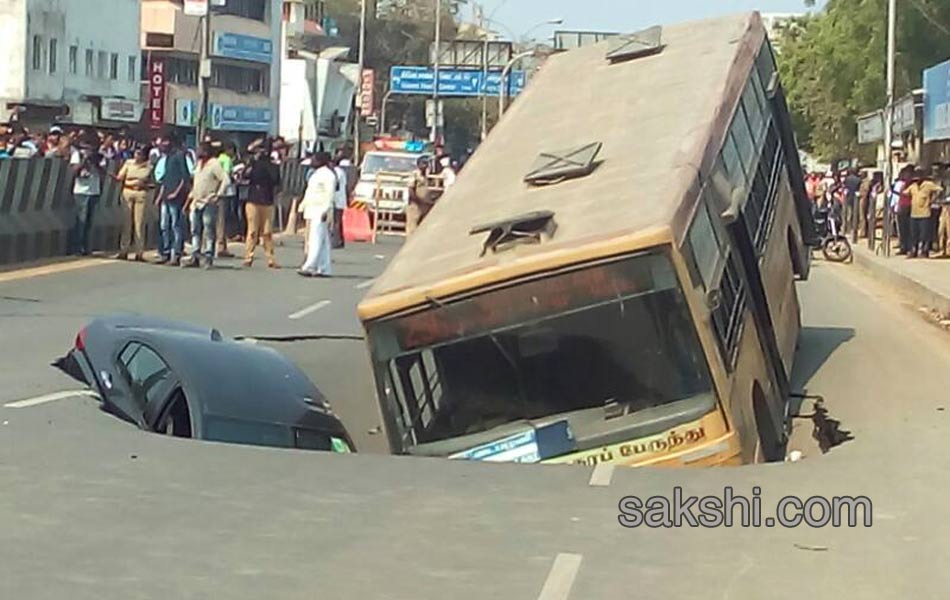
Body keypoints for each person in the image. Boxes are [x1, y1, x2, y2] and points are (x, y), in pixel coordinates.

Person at [184, 142, 230, 269]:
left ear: (206, 151)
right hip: (196, 202)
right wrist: (188, 201)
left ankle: (208, 256)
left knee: (209, 230)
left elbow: (225, 180)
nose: (197, 152)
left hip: (208, 202)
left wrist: (218, 195)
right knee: (195, 230)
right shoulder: (198, 165)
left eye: (200, 150)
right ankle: (195, 255)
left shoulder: (214, 164)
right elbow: (195, 185)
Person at [243, 141, 282, 268]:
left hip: (267, 201)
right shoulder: (252, 164)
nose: (261, 152)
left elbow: (276, 182)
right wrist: (252, 160)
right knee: (252, 231)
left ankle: (271, 258)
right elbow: (245, 175)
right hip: (253, 200)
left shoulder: (273, 166)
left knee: (267, 232)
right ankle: (248, 256)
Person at [111, 147, 153, 261]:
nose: (137, 156)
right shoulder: (129, 163)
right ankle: (123, 250)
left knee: (139, 224)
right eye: (136, 153)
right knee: (126, 223)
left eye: (139, 154)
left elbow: (153, 183)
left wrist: (145, 185)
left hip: (141, 193)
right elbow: (120, 177)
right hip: (127, 191)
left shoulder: (149, 166)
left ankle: (139, 252)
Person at [298, 152, 336, 278]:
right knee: (323, 241)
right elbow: (309, 192)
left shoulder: (328, 175)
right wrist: (302, 206)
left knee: (315, 240)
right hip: (312, 209)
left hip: (320, 210)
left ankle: (309, 266)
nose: (311, 162)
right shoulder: (316, 174)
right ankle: (324, 268)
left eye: (314, 160)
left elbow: (330, 194)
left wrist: (326, 210)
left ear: (321, 161)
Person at [155, 137, 191, 266]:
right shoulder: (167, 157)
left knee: (176, 225)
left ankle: (176, 254)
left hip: (176, 197)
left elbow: (185, 177)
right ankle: (165, 252)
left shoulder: (179, 156)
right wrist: (160, 196)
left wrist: (176, 192)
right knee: (164, 225)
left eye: (164, 143)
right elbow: (165, 178)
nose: (162, 146)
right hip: (166, 196)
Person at [69, 141, 105, 256]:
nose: (87, 150)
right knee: (81, 220)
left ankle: (86, 246)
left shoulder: (99, 156)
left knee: (89, 221)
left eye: (89, 148)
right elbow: (74, 171)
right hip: (81, 191)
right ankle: (77, 247)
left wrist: (95, 162)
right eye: (85, 148)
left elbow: (103, 173)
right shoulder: (77, 155)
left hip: (94, 191)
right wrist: (84, 160)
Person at [906, 169, 944, 259]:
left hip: (925, 214)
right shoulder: (913, 186)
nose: (917, 180)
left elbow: (940, 189)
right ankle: (913, 251)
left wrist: (933, 198)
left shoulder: (928, 185)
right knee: (914, 234)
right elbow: (904, 193)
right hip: (914, 213)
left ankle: (924, 251)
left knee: (924, 235)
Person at [215, 143, 237, 258]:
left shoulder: (218, 160)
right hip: (226, 192)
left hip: (217, 192)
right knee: (222, 220)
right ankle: (221, 246)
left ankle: (221, 246)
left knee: (218, 220)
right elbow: (228, 176)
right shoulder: (227, 160)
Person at [407, 156, 432, 236]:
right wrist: (419, 201)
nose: (425, 165)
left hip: (424, 205)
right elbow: (411, 190)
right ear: (418, 164)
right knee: (412, 226)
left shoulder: (425, 176)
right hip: (415, 204)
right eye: (423, 163)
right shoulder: (415, 174)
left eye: (426, 164)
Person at [331, 153, 349, 249]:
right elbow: (345, 186)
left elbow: (335, 186)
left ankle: (336, 241)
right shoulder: (342, 172)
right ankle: (340, 240)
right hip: (341, 199)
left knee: (336, 222)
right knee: (339, 221)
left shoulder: (335, 173)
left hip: (336, 199)